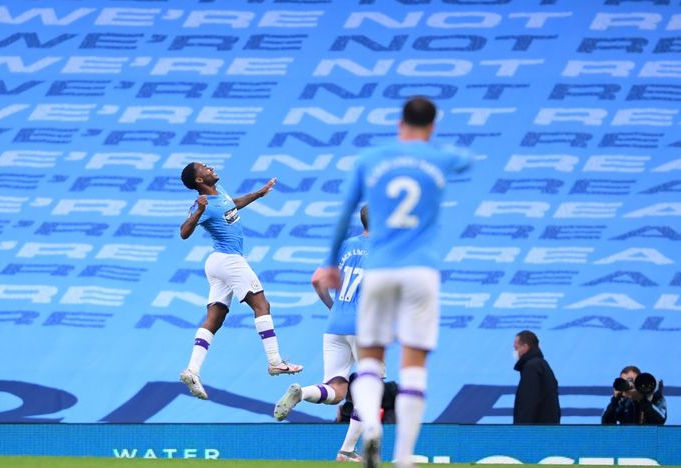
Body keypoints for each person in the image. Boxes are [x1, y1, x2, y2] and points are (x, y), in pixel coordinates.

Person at [316, 97, 472, 468]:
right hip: (421, 271)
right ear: (432, 127)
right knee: (414, 363)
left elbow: (343, 215)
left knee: (370, 360)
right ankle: (403, 457)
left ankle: (370, 427)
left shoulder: (371, 160)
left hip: (382, 268)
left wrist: (329, 264)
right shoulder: (438, 158)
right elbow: (465, 161)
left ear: (399, 123)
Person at [177, 162, 302, 400]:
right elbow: (184, 233)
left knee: (215, 318)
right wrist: (200, 212)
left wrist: (259, 193)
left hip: (217, 263)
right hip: (229, 261)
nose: (210, 167)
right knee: (262, 305)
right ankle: (275, 361)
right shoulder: (202, 204)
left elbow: (233, 205)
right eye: (204, 168)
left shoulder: (219, 191)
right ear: (199, 181)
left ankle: (192, 370)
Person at [274, 205, 371, 463]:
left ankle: (302, 393)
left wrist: (333, 306)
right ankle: (347, 450)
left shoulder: (346, 244)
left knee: (337, 390)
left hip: (336, 324)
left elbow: (317, 279)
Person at [512, 330, 560, 424]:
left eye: (516, 348)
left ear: (525, 347)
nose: (515, 352)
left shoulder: (531, 367)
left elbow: (528, 403)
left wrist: (521, 430)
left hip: (536, 432)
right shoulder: (542, 364)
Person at [601, 365, 667, 425]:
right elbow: (606, 422)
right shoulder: (620, 399)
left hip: (648, 436)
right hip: (627, 436)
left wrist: (641, 400)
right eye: (625, 382)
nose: (630, 385)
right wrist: (615, 400)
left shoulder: (652, 395)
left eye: (632, 381)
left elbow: (660, 420)